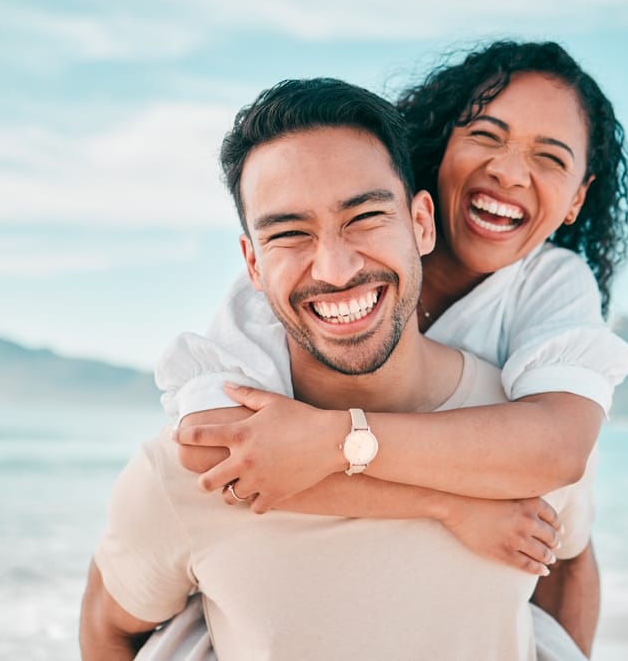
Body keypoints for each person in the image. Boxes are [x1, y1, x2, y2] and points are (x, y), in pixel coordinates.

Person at [81, 77, 598, 660]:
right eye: (289, 233)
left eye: (365, 217)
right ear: (252, 263)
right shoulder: (202, 453)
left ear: (421, 223)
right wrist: (447, 503)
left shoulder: (521, 428)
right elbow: (108, 627)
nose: (333, 267)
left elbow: (568, 563)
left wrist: (339, 441)